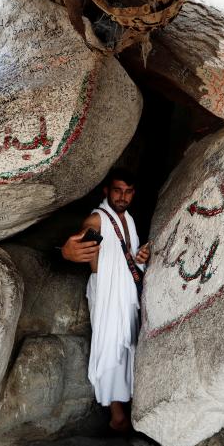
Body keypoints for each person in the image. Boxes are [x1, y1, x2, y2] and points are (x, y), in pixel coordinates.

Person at [61, 168, 150, 432]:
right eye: (117, 190)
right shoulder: (98, 217)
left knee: (128, 345)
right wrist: (69, 250)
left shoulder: (129, 220)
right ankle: (116, 415)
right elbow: (85, 233)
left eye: (128, 192)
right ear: (106, 192)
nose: (122, 196)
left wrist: (140, 258)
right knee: (111, 349)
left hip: (126, 293)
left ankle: (129, 401)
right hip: (108, 295)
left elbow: (127, 258)